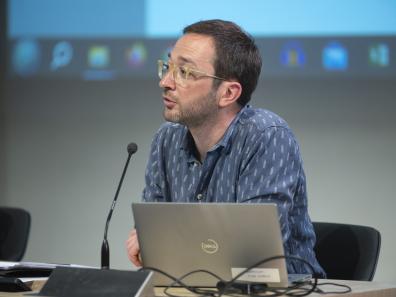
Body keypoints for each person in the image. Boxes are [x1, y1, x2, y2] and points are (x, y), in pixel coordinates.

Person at [126, 19, 325, 277]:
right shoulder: (166, 140)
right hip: (192, 288)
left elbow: (254, 252)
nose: (165, 81)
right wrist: (149, 241)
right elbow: (152, 239)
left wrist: (165, 242)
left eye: (185, 72)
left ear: (228, 93)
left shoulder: (266, 135)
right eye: (168, 66)